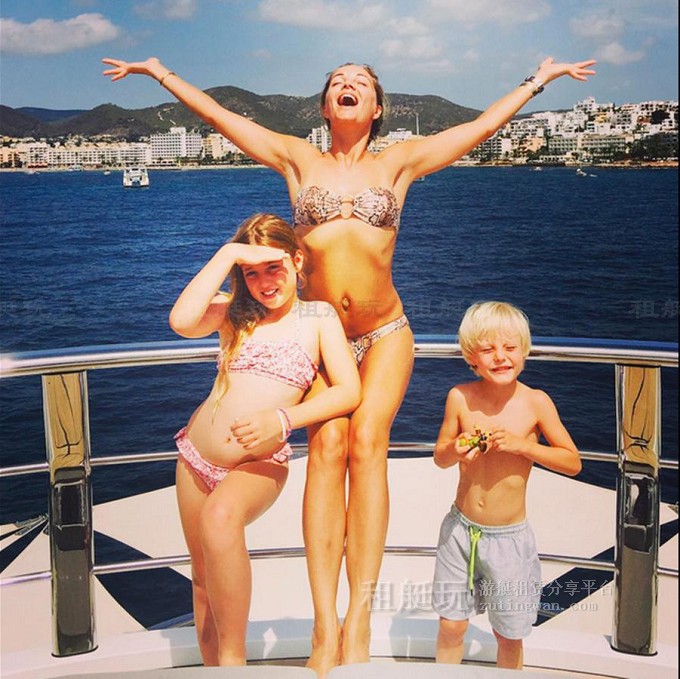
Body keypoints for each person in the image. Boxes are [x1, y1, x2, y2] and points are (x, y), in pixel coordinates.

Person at [102, 55, 595, 674]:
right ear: (324, 104)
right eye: (337, 81)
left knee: (366, 444)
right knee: (327, 449)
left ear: (377, 106)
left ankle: (358, 615)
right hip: (322, 336)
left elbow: (480, 128)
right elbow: (224, 118)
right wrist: (160, 73)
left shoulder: (401, 162)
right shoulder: (295, 159)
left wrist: (539, 80)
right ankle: (323, 623)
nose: (347, 85)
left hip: (384, 331)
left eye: (360, 82)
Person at [169, 213, 361, 667]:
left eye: (273, 267)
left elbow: (348, 390)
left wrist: (283, 419)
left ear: (297, 261)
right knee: (201, 580)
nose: (264, 283)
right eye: (251, 274)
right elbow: (181, 321)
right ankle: (216, 670)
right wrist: (229, 253)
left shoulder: (317, 318)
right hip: (195, 456)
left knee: (220, 517)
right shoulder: (234, 315)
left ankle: (234, 664)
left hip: (260, 463)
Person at [432, 301, 581, 669]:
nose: (500, 357)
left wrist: (522, 446)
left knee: (509, 634)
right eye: (487, 349)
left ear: (523, 351)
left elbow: (572, 461)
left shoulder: (536, 403)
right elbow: (441, 457)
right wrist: (457, 447)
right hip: (460, 532)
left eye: (510, 347)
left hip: (509, 541)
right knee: (451, 625)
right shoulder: (460, 397)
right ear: (472, 357)